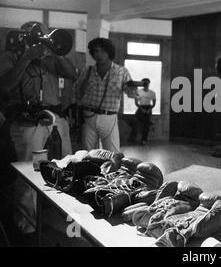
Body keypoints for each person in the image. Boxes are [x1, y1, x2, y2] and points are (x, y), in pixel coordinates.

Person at [0, 21, 77, 240]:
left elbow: (72, 74)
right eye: (35, 35)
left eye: (44, 34)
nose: (41, 38)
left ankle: (68, 224)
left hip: (55, 123)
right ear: (23, 36)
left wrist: (57, 52)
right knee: (30, 176)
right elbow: (5, 87)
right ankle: (27, 229)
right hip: (29, 125)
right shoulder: (11, 57)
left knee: (67, 170)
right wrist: (26, 58)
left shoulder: (51, 59)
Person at [74, 37, 137, 152]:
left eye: (103, 51)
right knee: (88, 155)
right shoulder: (87, 71)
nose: (99, 54)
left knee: (113, 155)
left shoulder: (121, 71)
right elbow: (76, 90)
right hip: (88, 117)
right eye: (96, 51)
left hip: (109, 117)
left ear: (109, 52)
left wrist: (133, 88)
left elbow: (131, 94)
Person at [129, 78, 156, 145]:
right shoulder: (138, 92)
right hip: (141, 108)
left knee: (146, 125)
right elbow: (136, 103)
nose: (145, 85)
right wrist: (141, 109)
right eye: (144, 83)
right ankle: (133, 138)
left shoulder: (152, 93)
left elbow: (154, 103)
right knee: (135, 121)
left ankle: (144, 140)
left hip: (148, 108)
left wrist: (149, 109)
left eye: (147, 83)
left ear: (149, 84)